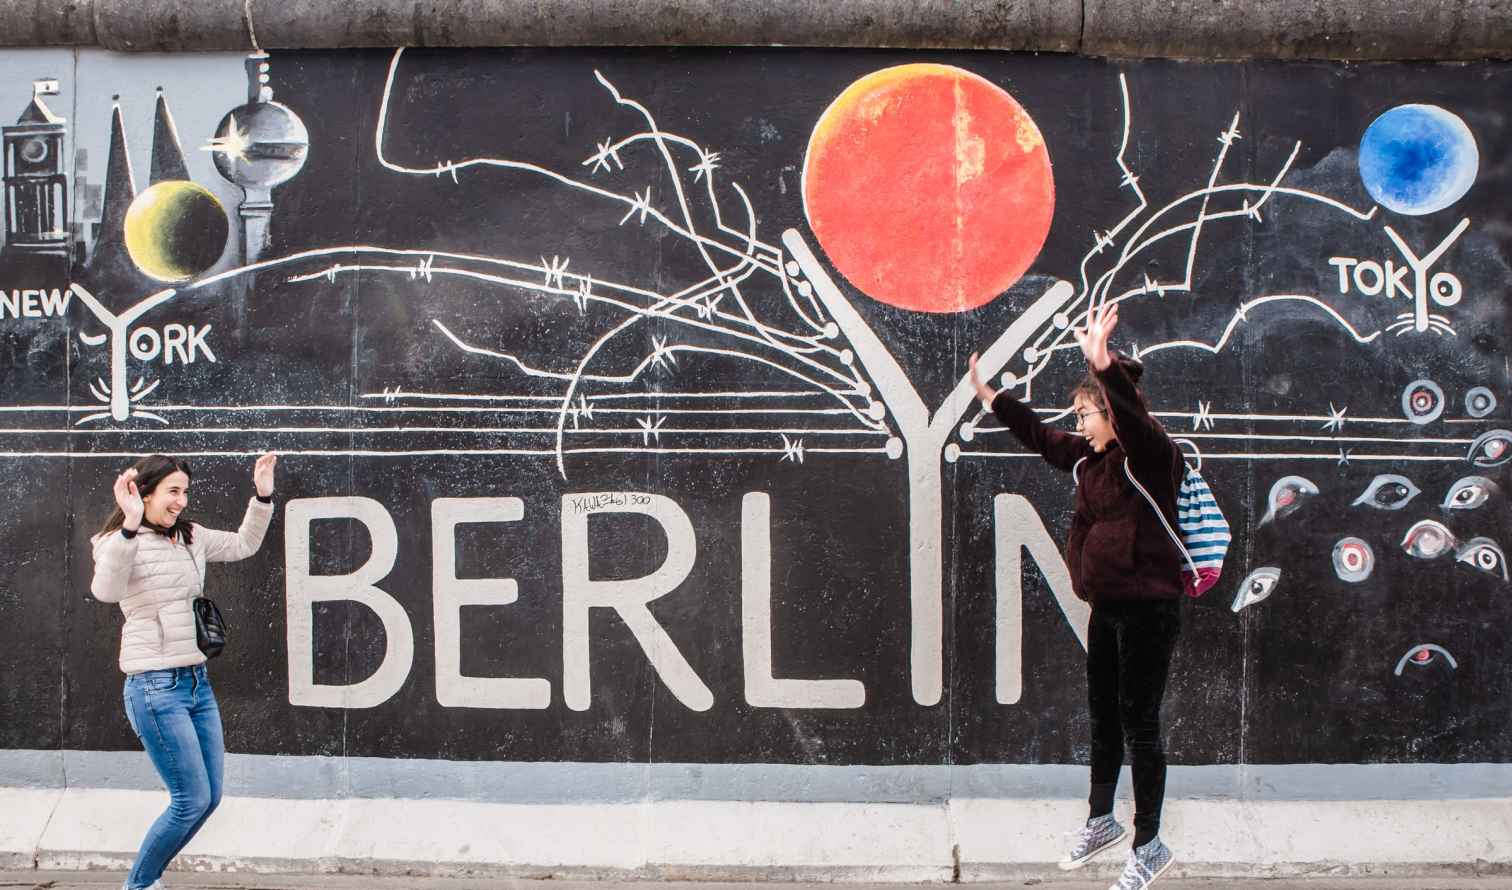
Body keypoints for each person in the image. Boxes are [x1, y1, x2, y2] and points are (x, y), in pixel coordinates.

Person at [970, 303, 1183, 890]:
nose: (1080, 424)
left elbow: (1136, 424)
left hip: (1150, 610)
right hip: (1108, 607)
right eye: (1079, 414)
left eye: (1088, 413)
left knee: (1140, 723)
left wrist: (1104, 364)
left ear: (1114, 414)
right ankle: (1100, 821)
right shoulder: (1089, 464)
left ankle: (1150, 844)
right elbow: (1044, 438)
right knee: (1103, 718)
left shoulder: (1152, 458)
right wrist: (994, 400)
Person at [91, 453, 278, 890]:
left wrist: (262, 495)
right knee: (189, 799)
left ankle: (147, 881)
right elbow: (106, 590)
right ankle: (139, 885)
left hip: (196, 684)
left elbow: (244, 544)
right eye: (173, 491)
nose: (181, 501)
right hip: (155, 687)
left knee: (208, 798)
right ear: (145, 493)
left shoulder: (190, 536)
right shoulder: (116, 542)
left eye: (185, 492)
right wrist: (130, 525)